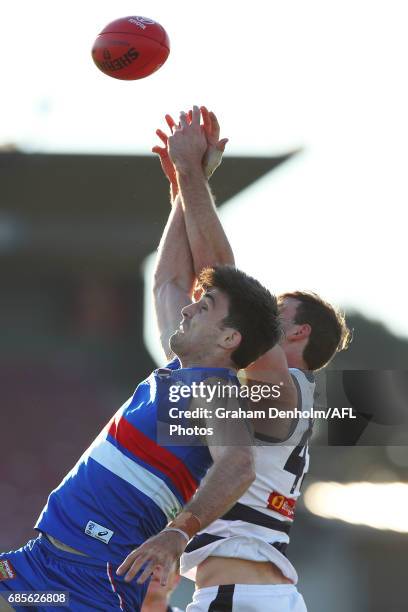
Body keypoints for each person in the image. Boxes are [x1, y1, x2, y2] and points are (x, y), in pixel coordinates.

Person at [0, 116, 282, 610]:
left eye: (206, 306)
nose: (190, 306)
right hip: (38, 567)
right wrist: (181, 182)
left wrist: (178, 533)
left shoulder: (213, 390)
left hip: (91, 583)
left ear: (228, 338)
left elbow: (238, 463)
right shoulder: (181, 370)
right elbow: (167, 282)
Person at [152, 105, 351, 611]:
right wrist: (181, 187)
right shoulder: (227, 377)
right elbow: (171, 284)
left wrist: (193, 173)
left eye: (275, 311)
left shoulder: (286, 389)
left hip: (243, 597)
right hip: (239, 594)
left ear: (299, 332)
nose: (259, 316)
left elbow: (223, 278)